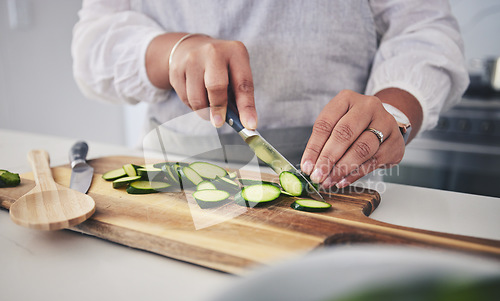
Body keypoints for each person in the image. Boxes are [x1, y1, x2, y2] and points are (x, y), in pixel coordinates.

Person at [72, 0, 469, 189]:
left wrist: (391, 112)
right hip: (175, 173)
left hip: (342, 176)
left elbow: (425, 30)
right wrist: (172, 51)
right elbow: (92, 47)